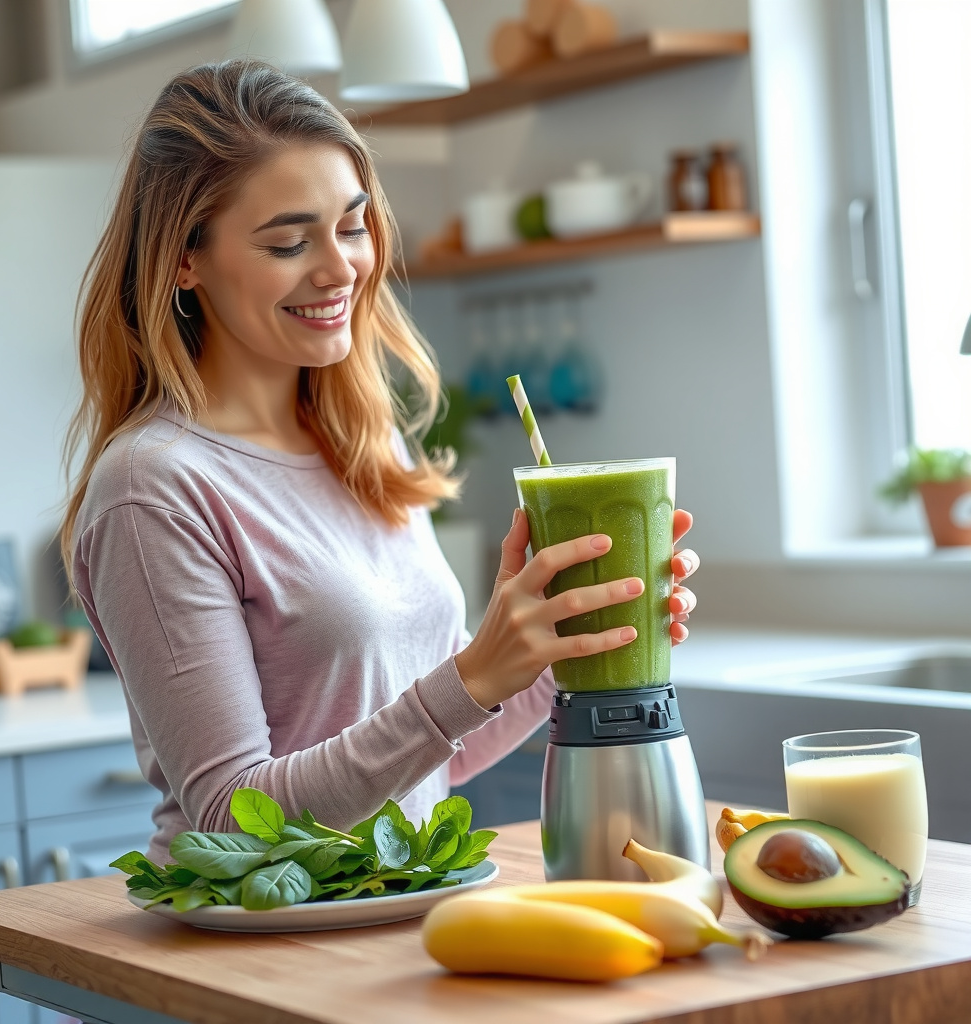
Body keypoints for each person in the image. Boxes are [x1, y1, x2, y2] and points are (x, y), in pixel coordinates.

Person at [60, 60, 698, 863]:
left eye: (353, 226)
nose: (340, 269)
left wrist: (562, 638)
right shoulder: (152, 488)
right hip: (252, 951)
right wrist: (469, 678)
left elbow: (434, 755)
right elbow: (230, 817)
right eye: (289, 241)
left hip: (399, 914)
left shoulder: (367, 446)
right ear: (184, 261)